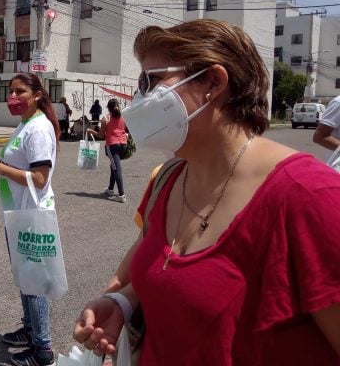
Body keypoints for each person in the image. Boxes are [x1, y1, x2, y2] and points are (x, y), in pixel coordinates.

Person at [73, 19, 340, 363]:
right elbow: (163, 270)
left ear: (213, 82)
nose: (139, 98)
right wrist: (122, 301)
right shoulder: (168, 178)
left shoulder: (310, 195)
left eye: (151, 81)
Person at [0, 72, 60, 366]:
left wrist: (1, 169)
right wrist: (4, 164)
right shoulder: (25, 124)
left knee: (34, 283)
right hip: (18, 212)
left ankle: (43, 351)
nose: (12, 97)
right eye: (10, 91)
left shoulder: (38, 128)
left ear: (37, 95)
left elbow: (40, 178)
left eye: (20, 92)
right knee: (25, 278)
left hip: (32, 215)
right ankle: (30, 331)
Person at [86, 98, 128, 203]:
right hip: (123, 144)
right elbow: (127, 130)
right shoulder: (124, 116)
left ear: (108, 108)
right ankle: (110, 189)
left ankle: (121, 195)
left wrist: (91, 131)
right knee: (113, 165)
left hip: (112, 145)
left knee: (116, 169)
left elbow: (100, 135)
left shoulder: (106, 118)